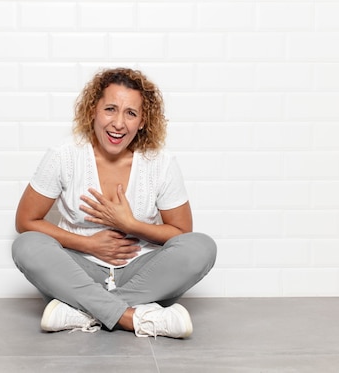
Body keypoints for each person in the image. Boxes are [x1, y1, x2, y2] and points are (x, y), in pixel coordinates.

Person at [12, 67, 216, 338]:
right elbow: (25, 221)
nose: (118, 123)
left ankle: (84, 311)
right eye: (110, 109)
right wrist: (88, 244)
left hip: (141, 274)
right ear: (93, 111)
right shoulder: (63, 156)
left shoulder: (162, 164)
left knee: (202, 247)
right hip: (78, 271)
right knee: (26, 245)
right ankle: (135, 317)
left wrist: (129, 224)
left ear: (142, 121)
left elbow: (181, 234)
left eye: (130, 113)